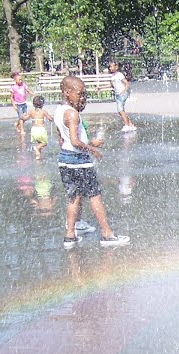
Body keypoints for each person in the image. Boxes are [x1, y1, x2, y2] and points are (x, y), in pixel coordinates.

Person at [52, 75, 130, 248]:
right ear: (66, 92)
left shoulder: (58, 111)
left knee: (74, 197)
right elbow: (74, 140)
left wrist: (88, 143)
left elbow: (62, 139)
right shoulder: (72, 114)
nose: (82, 98)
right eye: (79, 94)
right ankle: (107, 234)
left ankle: (70, 235)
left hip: (65, 160)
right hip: (79, 162)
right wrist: (92, 150)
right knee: (95, 196)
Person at [108, 61, 136, 132]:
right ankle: (131, 125)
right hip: (117, 94)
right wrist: (101, 88)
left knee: (120, 110)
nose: (110, 68)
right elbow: (111, 85)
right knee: (121, 111)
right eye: (110, 67)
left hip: (122, 94)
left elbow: (126, 83)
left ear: (116, 67)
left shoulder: (119, 75)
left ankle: (127, 125)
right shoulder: (112, 76)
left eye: (112, 66)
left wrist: (124, 91)